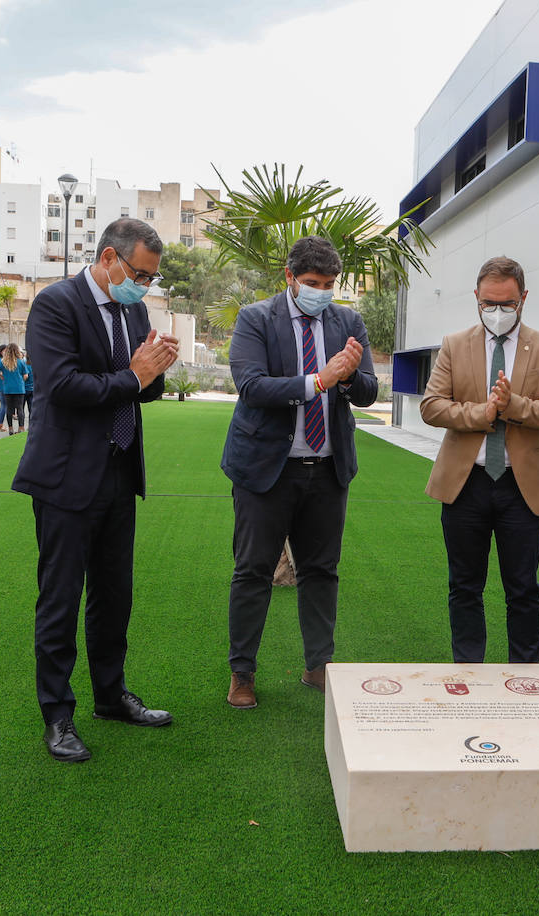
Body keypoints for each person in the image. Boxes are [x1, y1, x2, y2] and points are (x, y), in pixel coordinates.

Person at [12, 218, 179, 762]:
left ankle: (110, 695)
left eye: (151, 280)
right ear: (109, 258)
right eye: (139, 274)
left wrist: (155, 373)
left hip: (118, 471)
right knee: (59, 599)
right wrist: (135, 376)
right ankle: (57, 715)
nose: (145, 287)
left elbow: (132, 387)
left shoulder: (131, 308)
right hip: (64, 476)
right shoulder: (55, 304)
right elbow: (61, 386)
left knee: (114, 595)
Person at [220, 235, 377, 710]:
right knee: (252, 571)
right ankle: (242, 673)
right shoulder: (255, 319)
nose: (321, 291)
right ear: (289, 278)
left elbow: (368, 391)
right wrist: (319, 381)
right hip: (266, 470)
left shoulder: (348, 320)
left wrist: (348, 377)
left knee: (322, 571)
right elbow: (251, 386)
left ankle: (318, 665)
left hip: (327, 471)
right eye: (312, 283)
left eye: (329, 284)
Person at [419, 256, 539, 666]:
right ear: (476, 297)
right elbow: (432, 406)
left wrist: (513, 406)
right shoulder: (455, 344)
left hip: (520, 487)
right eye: (489, 303)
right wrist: (481, 414)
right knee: (464, 586)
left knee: (523, 588)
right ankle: (469, 670)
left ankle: (522, 677)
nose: (498, 312)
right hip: (465, 483)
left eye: (507, 304)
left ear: (523, 299)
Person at [0, 343, 30, 435]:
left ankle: (10, 428)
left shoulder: (3, 362)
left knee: (9, 409)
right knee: (20, 408)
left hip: (8, 388)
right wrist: (21, 380)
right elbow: (26, 375)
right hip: (19, 388)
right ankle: (21, 427)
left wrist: (1, 375)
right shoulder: (21, 362)